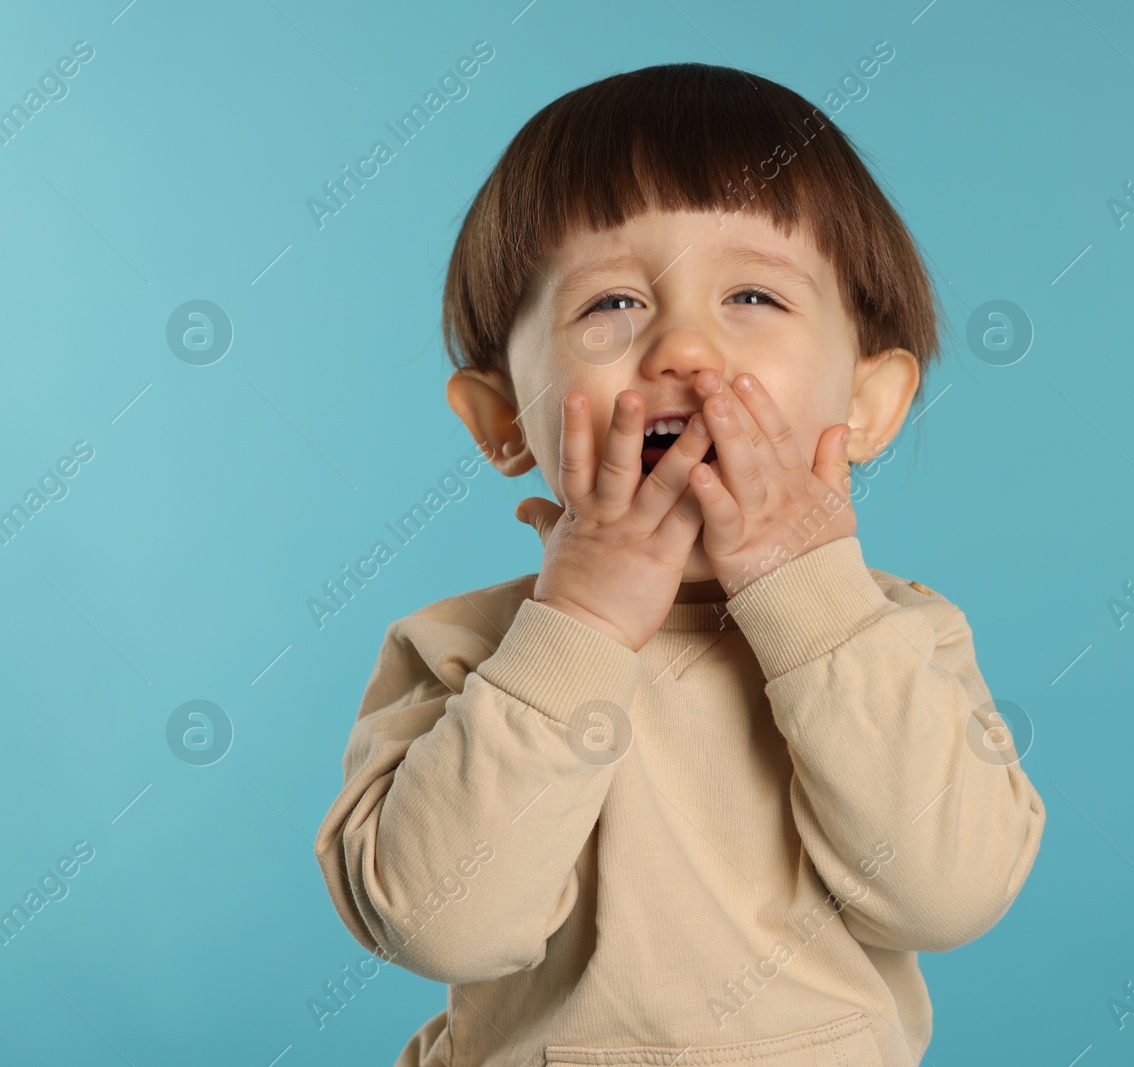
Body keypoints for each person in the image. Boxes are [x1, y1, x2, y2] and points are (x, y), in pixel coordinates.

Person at [314, 61, 1045, 1067]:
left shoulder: (900, 636)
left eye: (751, 293)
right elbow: (438, 923)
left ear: (868, 403)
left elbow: (945, 891)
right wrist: (578, 625)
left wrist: (810, 597)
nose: (685, 348)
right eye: (611, 303)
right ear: (499, 419)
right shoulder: (459, 651)